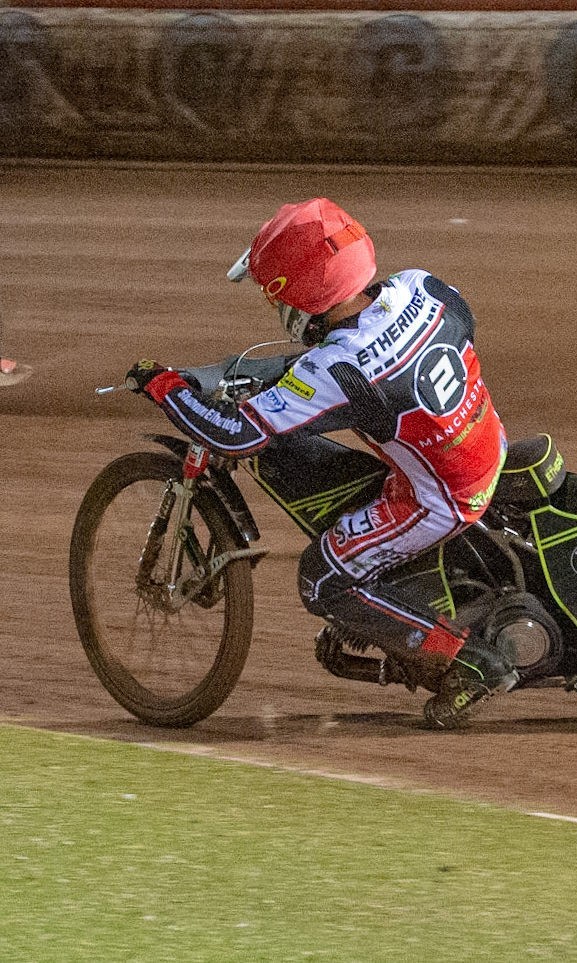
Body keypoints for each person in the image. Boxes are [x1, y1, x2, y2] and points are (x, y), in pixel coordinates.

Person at [124, 198, 514, 729]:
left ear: (298, 298)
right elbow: (450, 333)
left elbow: (237, 435)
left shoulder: (338, 367)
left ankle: (471, 664)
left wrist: (164, 386)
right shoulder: (423, 286)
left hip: (440, 498)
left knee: (321, 578)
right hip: (485, 442)